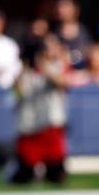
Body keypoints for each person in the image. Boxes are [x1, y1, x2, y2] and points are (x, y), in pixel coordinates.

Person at [9, 34, 70, 184]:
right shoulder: (24, 73)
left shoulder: (54, 67)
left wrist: (43, 66)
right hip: (30, 128)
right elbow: (17, 92)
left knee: (56, 176)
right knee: (24, 176)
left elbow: (63, 83)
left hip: (50, 127)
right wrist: (24, 66)